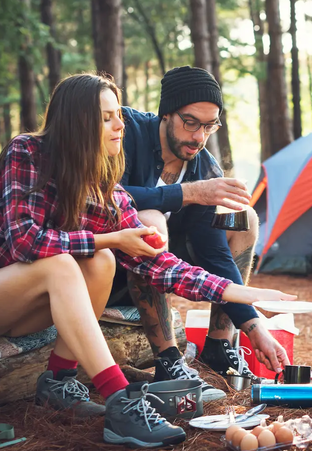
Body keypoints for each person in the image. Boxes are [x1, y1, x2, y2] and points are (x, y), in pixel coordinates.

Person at [0, 74, 294, 448]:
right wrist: (111, 238)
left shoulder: (102, 182)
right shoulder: (27, 152)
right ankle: (121, 400)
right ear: (77, 121)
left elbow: (156, 263)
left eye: (117, 115)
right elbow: (26, 242)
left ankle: (58, 382)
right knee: (66, 261)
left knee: (102, 261)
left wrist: (239, 293)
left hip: (32, 310)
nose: (120, 124)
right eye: (107, 117)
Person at [112, 65, 289, 402]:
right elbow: (103, 196)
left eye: (209, 126)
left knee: (243, 218)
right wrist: (189, 194)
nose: (198, 137)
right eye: (189, 122)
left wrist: (255, 328)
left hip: (171, 271)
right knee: (151, 222)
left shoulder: (205, 166)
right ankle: (168, 360)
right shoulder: (127, 133)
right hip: (108, 266)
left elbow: (214, 254)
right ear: (166, 114)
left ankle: (220, 345)